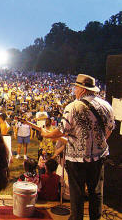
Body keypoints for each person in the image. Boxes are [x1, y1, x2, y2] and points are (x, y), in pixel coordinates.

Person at [41, 74, 115, 220]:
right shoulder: (106, 106)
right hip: (98, 156)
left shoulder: (73, 107)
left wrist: (46, 134)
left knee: (77, 193)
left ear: (81, 89)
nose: (74, 90)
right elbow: (110, 128)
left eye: (76, 87)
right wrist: (100, 141)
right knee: (96, 191)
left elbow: (61, 130)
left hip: (76, 159)